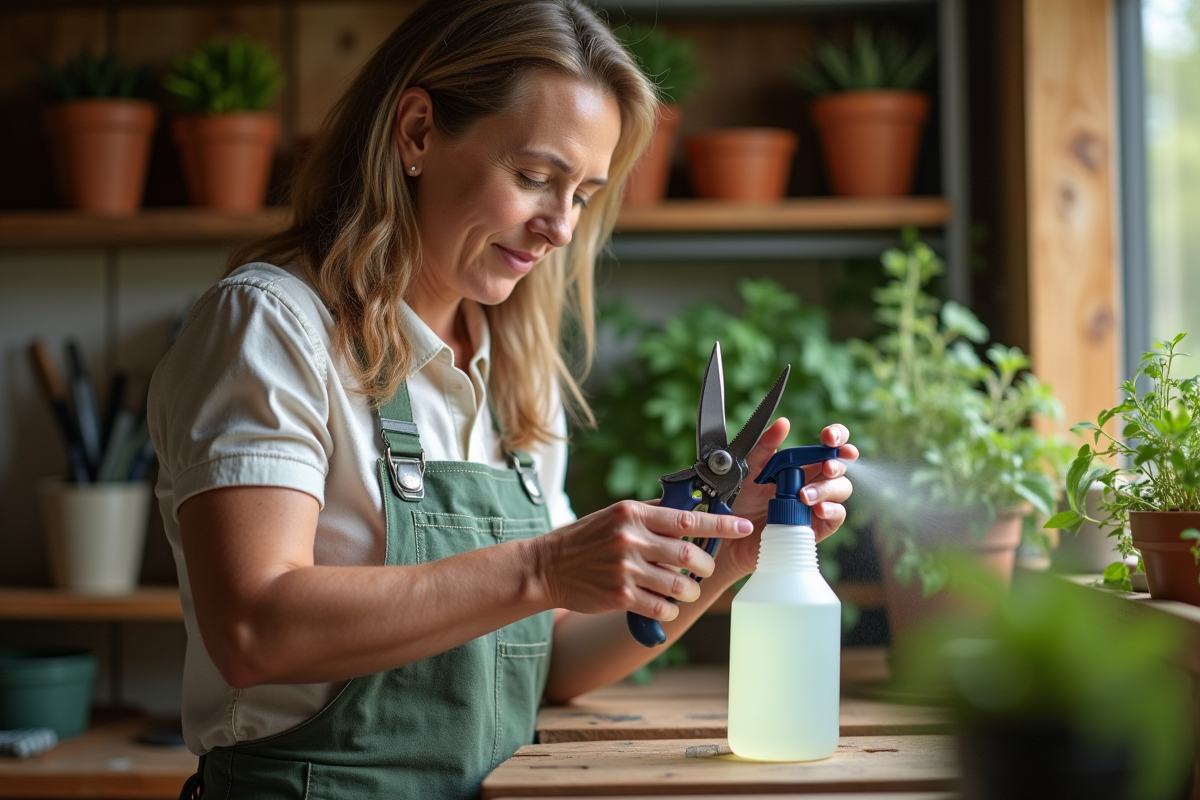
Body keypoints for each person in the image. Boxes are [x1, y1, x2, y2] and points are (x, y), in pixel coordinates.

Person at [148, 1, 858, 797]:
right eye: (534, 177)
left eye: (583, 193)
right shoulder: (272, 327)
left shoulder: (514, 374)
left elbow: (550, 658)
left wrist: (723, 560)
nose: (559, 226)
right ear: (417, 132)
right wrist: (545, 566)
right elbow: (253, 628)